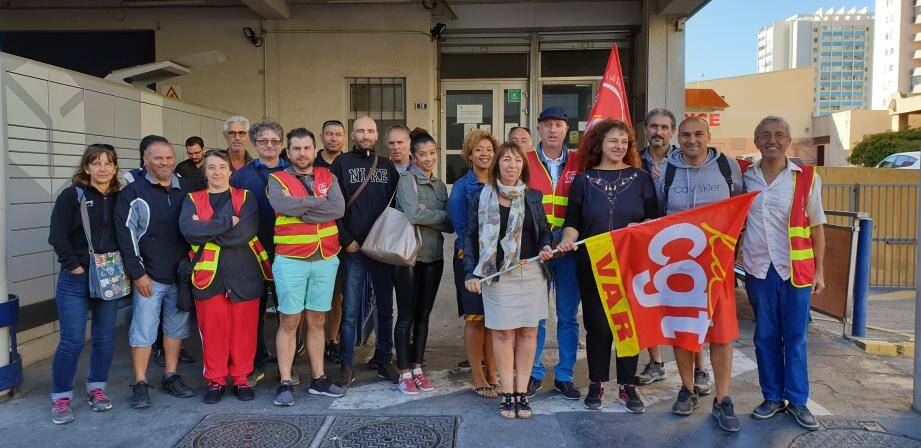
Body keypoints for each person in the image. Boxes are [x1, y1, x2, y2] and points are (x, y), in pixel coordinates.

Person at [556, 120, 660, 413]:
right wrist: (567, 240)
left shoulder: (641, 178)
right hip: (594, 263)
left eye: (625, 142)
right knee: (598, 325)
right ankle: (596, 383)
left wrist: (643, 227)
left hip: (632, 264)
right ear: (599, 143)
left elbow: (655, 219)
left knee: (629, 327)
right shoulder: (584, 180)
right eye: (613, 140)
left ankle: (627, 386)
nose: (619, 146)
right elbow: (573, 223)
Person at [657, 116, 744, 432]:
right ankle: (687, 388)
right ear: (678, 138)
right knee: (683, 330)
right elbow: (657, 216)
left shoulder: (728, 168)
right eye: (685, 135)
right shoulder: (666, 171)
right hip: (679, 268)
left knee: (720, 334)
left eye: (698, 134)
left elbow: (742, 210)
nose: (692, 140)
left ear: (708, 136)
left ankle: (723, 399)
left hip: (717, 266)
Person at [743, 116, 826, 430]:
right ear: (757, 142)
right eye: (765, 135)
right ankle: (772, 397)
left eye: (778, 135)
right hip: (758, 269)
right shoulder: (744, 177)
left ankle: (799, 400)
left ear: (788, 140)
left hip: (795, 271)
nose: (772, 140)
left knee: (795, 337)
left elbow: (817, 227)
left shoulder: (806, 178)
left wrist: (820, 272)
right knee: (765, 336)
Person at [464, 142, 553, 420]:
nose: (512, 165)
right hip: (496, 276)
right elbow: (468, 235)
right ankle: (506, 393)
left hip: (530, 274)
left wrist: (546, 246)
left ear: (523, 166)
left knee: (528, 333)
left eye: (517, 160)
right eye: (506, 160)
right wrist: (471, 272)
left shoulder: (533, 197)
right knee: (502, 333)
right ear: (497, 165)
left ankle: (522, 393)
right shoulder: (482, 196)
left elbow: (544, 231)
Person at [179, 150, 272, 404]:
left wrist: (205, 229)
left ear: (231, 171)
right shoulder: (191, 198)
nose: (217, 172)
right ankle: (216, 380)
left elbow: (244, 233)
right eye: (211, 167)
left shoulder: (246, 197)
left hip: (244, 272)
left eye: (222, 167)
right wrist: (225, 223)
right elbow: (188, 230)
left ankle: (241, 378)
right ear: (204, 171)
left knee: (244, 329)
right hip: (208, 276)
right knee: (212, 330)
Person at [114, 136, 195, 409]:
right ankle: (139, 383)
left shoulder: (185, 189)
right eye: (158, 158)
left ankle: (171, 377)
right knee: (143, 332)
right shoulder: (133, 193)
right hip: (149, 277)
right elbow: (126, 236)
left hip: (181, 276)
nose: (164, 163)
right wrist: (138, 274)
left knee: (176, 330)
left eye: (169, 158)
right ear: (145, 160)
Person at [267, 128, 346, 406]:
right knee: (289, 320)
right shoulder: (277, 179)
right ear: (288, 152)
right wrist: (316, 203)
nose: (302, 153)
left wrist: (300, 207)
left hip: (325, 259)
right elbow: (281, 205)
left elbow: (337, 209)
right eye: (296, 148)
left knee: (318, 320)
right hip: (291, 259)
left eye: (307, 148)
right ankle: (285, 381)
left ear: (315, 150)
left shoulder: (329, 176)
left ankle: (319, 379)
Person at [47, 144, 125, 424]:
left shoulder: (121, 197)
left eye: (108, 163)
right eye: (96, 163)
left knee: (104, 338)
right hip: (76, 279)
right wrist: (75, 266)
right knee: (72, 341)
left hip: (110, 275)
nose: (102, 168)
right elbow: (57, 236)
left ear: (115, 167)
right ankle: (61, 397)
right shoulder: (72, 196)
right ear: (87, 167)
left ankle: (97, 389)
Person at [330, 116, 400, 387]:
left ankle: (384, 360)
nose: (366, 134)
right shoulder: (341, 164)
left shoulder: (385, 165)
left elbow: (396, 205)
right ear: (353, 134)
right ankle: (347, 364)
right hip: (354, 248)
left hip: (381, 248)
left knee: (385, 308)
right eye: (360, 130)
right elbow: (332, 206)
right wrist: (345, 239)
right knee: (350, 310)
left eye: (370, 130)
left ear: (376, 134)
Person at [524, 107, 581, 400]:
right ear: (539, 129)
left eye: (558, 125)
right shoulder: (526, 161)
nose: (552, 130)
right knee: (537, 316)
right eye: (547, 125)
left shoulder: (580, 162)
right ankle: (534, 372)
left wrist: (572, 236)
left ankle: (565, 375)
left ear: (566, 129)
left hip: (570, 249)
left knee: (568, 315)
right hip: (539, 249)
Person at [393, 130, 453, 395]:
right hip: (408, 257)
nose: (428, 159)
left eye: (432, 153)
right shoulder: (407, 181)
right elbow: (413, 215)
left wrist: (431, 214)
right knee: (405, 316)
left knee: (424, 315)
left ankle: (417, 366)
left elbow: (451, 224)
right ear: (413, 157)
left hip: (434, 256)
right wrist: (432, 215)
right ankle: (404, 371)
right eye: (422, 154)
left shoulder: (440, 185)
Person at [230, 119, 289, 386]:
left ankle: (286, 366)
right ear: (254, 143)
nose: (269, 146)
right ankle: (255, 363)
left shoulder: (292, 171)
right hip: (251, 251)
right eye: (263, 141)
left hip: (287, 250)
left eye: (275, 141)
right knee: (254, 308)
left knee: (288, 309)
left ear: (282, 143)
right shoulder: (242, 175)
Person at [447, 130, 499, 397]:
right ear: (469, 154)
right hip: (469, 259)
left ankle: (492, 372)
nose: (484, 154)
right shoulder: (462, 187)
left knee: (493, 319)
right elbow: (461, 227)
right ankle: (478, 376)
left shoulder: (501, 182)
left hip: (497, 260)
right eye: (478, 149)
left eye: (489, 149)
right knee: (476, 317)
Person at [635, 108, 684, 386]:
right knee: (649, 301)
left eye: (665, 127)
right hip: (645, 239)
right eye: (653, 126)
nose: (659, 132)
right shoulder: (634, 159)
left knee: (682, 304)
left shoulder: (683, 159)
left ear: (672, 130)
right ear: (645, 129)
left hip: (678, 240)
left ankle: (698, 367)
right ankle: (656, 363)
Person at [315, 119, 347, 363]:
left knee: (337, 295)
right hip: (314, 240)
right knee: (313, 296)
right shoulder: (310, 164)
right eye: (329, 134)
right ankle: (310, 342)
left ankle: (332, 340)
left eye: (338, 134)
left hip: (342, 239)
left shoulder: (349, 163)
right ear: (322, 137)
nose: (333, 138)